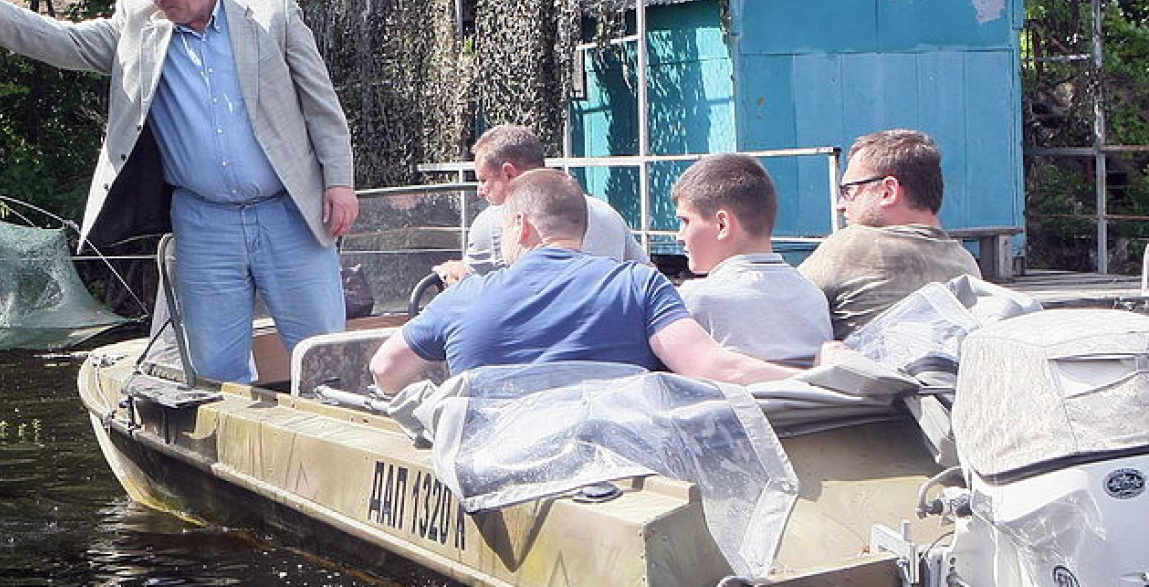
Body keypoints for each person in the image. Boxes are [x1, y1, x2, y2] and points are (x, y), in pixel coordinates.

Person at [0, 0, 357, 383]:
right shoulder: (137, 24)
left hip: (290, 212)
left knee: (326, 359)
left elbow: (321, 102)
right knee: (213, 373)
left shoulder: (271, 9)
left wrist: (339, 181)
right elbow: (67, 42)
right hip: (204, 224)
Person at [370, 169, 799, 394]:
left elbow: (385, 370)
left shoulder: (462, 297)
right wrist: (822, 372)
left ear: (520, 225)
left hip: (496, 479)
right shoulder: (640, 285)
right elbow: (713, 368)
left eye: (502, 229)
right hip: (614, 476)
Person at [799, 129, 981, 338]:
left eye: (848, 191)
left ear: (888, 191)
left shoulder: (851, 245)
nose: (840, 205)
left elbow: (779, 305)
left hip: (862, 370)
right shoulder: (966, 263)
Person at [433, 123, 647, 283]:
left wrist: (450, 271)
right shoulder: (607, 213)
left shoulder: (494, 222)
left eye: (483, 180)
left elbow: (472, 285)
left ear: (508, 173)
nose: (480, 192)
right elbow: (646, 270)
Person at [671, 154, 832, 365]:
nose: (679, 236)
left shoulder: (695, 300)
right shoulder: (812, 295)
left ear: (722, 225)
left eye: (685, 221)